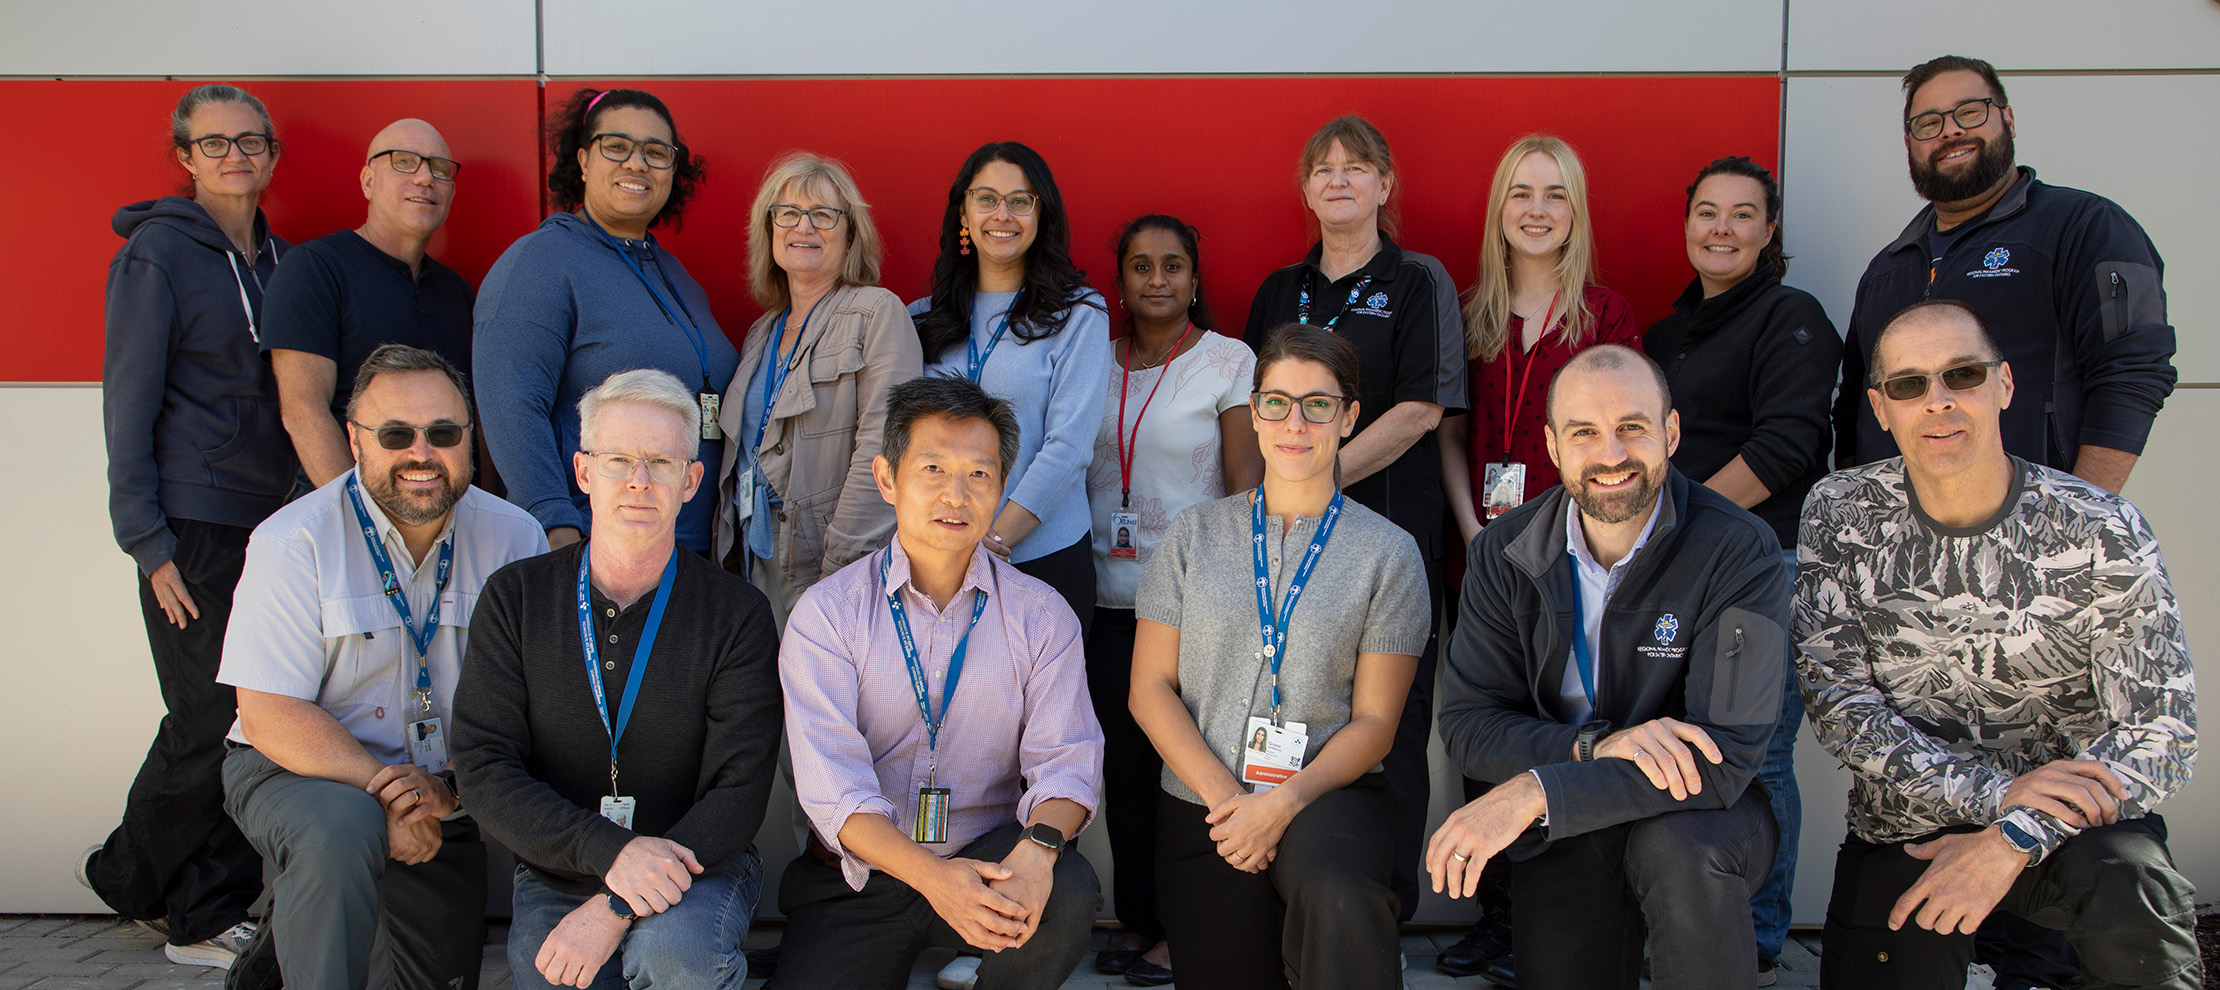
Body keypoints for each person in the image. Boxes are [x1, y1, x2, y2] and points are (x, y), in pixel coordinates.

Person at [1798, 300, 2200, 990]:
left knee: (2135, 884)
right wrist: (1998, 796)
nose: (1940, 402)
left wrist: (2016, 833)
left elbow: (2162, 729)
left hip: (2072, 838)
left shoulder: (2101, 528)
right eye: (1909, 385)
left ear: (2005, 384)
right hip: (1910, 833)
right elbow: (1841, 707)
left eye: (1963, 374)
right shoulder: (1841, 512)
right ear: (1881, 407)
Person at [1430, 344, 1789, 990]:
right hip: (1572, 821)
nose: (1612, 454)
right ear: (1553, 445)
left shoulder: (1739, 548)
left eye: (1632, 427)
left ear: (1670, 433)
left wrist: (1537, 789)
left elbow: (1727, 757)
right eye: (1585, 432)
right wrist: (1593, 748)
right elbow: (1468, 725)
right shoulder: (1503, 554)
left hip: (1709, 815)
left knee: (1680, 850)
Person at [216, 345, 547, 988]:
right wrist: (386, 794)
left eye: (444, 433)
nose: (421, 454)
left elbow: (532, 707)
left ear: (469, 438)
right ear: (355, 439)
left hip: (442, 791)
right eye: (396, 434)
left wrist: (445, 791)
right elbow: (268, 713)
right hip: (302, 769)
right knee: (340, 832)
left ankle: (281, 946)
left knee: (430, 975)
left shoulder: (517, 540)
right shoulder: (294, 540)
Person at [452, 368, 781, 990]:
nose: (638, 480)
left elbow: (739, 793)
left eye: (661, 462)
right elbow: (483, 765)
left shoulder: (737, 613)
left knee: (675, 957)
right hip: (561, 867)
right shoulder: (515, 598)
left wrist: (618, 902)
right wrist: (610, 856)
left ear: (691, 481)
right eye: (619, 459)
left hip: (700, 865)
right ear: (583, 472)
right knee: (555, 973)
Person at [775, 375, 1104, 990]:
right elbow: (833, 792)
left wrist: (1037, 850)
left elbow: (1071, 763)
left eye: (979, 475)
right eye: (932, 468)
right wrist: (932, 878)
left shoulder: (1040, 615)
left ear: (1001, 486)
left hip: (991, 861)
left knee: (1068, 891)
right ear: (886, 479)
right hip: (866, 875)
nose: (956, 495)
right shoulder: (828, 615)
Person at [1129, 323, 1427, 990]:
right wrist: (1230, 800)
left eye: (1318, 404)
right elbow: (1148, 688)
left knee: (1338, 898)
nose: (1295, 422)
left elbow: (1376, 725)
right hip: (1206, 806)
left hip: (1329, 797)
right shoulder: (1192, 536)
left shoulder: (1388, 554)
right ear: (1254, 412)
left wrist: (1280, 805)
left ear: (1348, 418)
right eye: (1276, 401)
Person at [86, 83, 296, 969]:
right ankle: (199, 914)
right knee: (209, 715)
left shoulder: (281, 259)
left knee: (249, 713)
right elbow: (127, 398)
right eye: (213, 144)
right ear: (184, 157)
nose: (234, 157)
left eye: (249, 142)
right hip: (192, 520)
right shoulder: (159, 255)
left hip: (266, 523)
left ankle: (130, 881)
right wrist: (146, 539)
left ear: (271, 154)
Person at [1242, 115, 1464, 927]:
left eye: (1357, 166)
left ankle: (1383, 917)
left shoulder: (1417, 280)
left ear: (1385, 185)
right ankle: (1283, 899)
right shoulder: (1277, 290)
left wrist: (1317, 476)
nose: (1339, 180)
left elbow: (1420, 410)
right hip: (1285, 549)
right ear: (1306, 188)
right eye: (1323, 169)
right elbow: (1256, 409)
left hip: (1388, 545)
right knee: (1283, 713)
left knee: (1392, 732)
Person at [1432, 132, 1642, 981]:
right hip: (1480, 554)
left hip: (1572, 554)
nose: (1538, 210)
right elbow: (1448, 437)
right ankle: (1493, 917)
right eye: (1522, 194)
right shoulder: (1467, 310)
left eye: (1555, 195)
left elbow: (1620, 443)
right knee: (1486, 726)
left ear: (1576, 210)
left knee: (1563, 729)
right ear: (1500, 209)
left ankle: (1553, 921)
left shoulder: (1606, 316)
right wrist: (1474, 533)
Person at [1641, 155, 1841, 984]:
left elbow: (1788, 446)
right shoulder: (1663, 334)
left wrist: (1682, 529)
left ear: (1769, 232)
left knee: (1758, 754)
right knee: (1683, 746)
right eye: (1708, 213)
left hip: (1760, 567)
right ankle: (1690, 923)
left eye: (1742, 215)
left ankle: (1756, 938)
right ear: (1687, 224)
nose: (1721, 229)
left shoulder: (1792, 317)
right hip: (1682, 572)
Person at [1837, 55, 2175, 495]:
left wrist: (2081, 512)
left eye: (1969, 112)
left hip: (2029, 528)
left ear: (2008, 119)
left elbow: (2133, 372)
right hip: (1900, 541)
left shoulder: (2085, 227)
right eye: (1929, 123)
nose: (1951, 131)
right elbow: (1853, 407)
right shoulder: (1887, 268)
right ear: (1909, 142)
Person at [1083, 214, 1261, 986]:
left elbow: (1246, 486)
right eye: (1142, 267)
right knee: (1122, 770)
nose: (1158, 280)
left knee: (1187, 774)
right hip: (1097, 595)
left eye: (1174, 267)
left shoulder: (1228, 361)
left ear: (1196, 279)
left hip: (1190, 603)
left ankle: (1185, 931)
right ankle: (1140, 915)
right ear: (1119, 280)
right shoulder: (1093, 358)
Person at [476, 88, 737, 554]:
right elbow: (511, 405)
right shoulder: (540, 262)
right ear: (582, 159)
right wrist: (556, 526)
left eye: (656, 153)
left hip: (693, 555)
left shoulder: (676, 274)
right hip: (600, 553)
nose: (637, 163)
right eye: (616, 146)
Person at [909, 141, 1108, 642]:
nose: (1004, 214)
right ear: (964, 211)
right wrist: (955, 545)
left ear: (1042, 215)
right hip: (940, 559)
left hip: (1043, 556)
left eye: (1022, 201)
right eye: (987, 199)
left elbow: (1068, 447)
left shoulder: (1079, 314)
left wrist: (990, 540)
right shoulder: (920, 319)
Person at [713, 151, 921, 625]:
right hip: (750, 554)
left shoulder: (877, 312)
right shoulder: (761, 332)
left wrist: (840, 570)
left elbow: (886, 445)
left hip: (825, 566)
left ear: (850, 233)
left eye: (823, 215)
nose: (803, 227)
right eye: (787, 213)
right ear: (769, 230)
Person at [262, 118, 476, 487]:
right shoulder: (314, 269)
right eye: (404, 161)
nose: (425, 178)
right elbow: (303, 411)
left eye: (439, 168)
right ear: (367, 181)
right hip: (341, 513)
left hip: (443, 515)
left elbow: (472, 420)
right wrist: (360, 520)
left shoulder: (457, 291)